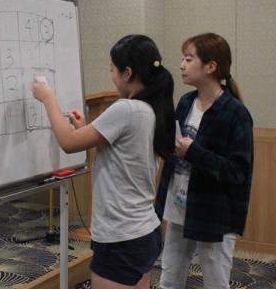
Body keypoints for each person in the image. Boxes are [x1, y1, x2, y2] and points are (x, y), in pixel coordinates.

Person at [32, 34, 175, 289]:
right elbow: (121, 152)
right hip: (143, 230)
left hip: (121, 236)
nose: (111, 75)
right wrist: (84, 128)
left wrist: (48, 98)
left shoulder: (126, 109)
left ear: (127, 73)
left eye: (112, 69)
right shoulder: (151, 109)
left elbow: (68, 142)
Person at [156, 33, 253, 289]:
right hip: (178, 205)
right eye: (183, 59)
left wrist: (193, 152)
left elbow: (238, 171)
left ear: (211, 66)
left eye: (189, 59)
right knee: (169, 279)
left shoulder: (235, 113)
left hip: (213, 211)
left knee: (215, 283)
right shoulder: (186, 102)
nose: (181, 65)